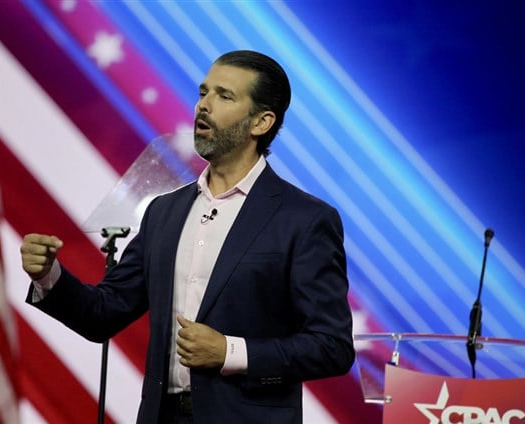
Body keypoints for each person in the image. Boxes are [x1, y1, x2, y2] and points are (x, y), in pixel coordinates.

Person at [21, 50, 354, 424]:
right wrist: (48, 275)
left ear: (261, 122)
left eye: (224, 96)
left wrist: (228, 352)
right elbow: (103, 313)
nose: (203, 106)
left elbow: (332, 347)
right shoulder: (164, 212)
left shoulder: (304, 219)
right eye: (203, 93)